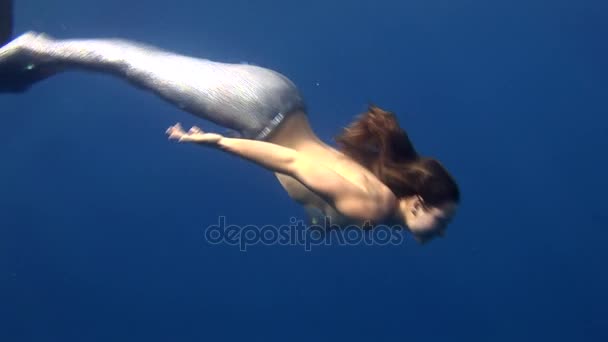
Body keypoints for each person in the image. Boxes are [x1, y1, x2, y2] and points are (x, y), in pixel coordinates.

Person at [0, 3, 459, 244]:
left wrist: (324, 225)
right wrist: (212, 141)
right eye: (441, 223)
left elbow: (322, 195)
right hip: (256, 113)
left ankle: (40, 62)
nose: (439, 234)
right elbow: (291, 161)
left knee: (139, 64)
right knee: (130, 63)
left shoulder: (375, 206)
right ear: (417, 202)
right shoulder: (372, 207)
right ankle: (34, 50)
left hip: (278, 100)